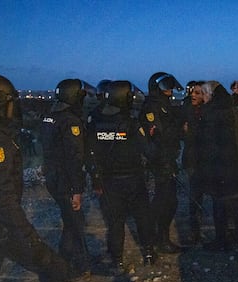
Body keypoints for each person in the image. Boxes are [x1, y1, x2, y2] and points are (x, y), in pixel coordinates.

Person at [0, 73, 74, 282]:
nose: (13, 108)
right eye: (8, 102)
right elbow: (0, 198)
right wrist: (29, 238)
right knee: (53, 266)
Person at [86, 80, 156, 271]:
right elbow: (148, 150)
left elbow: (89, 151)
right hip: (133, 179)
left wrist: (95, 177)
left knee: (115, 222)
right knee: (142, 218)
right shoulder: (131, 122)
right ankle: (149, 252)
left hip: (108, 181)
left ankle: (116, 258)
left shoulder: (95, 120)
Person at [40, 78, 91, 279]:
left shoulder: (49, 116)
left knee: (70, 221)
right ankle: (67, 266)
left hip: (53, 177)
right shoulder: (70, 121)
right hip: (65, 180)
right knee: (74, 224)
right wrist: (76, 190)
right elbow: (74, 157)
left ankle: (76, 261)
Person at [197, 81, 238, 251]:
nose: (203, 98)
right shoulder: (232, 110)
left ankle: (221, 239)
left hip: (220, 166)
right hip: (236, 164)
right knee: (236, 202)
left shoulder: (212, 114)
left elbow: (209, 144)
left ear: (211, 95)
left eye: (204, 95)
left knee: (219, 203)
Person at [140, 72, 184, 253]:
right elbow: (160, 135)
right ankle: (155, 239)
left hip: (167, 158)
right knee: (164, 201)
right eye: (166, 86)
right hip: (160, 160)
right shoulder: (152, 106)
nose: (170, 90)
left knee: (169, 201)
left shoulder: (164, 105)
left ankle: (158, 238)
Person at [181, 81, 206, 244]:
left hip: (207, 159)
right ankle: (195, 231)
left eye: (198, 93)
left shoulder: (209, 112)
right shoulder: (187, 110)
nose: (193, 95)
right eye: (193, 92)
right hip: (193, 158)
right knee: (195, 195)